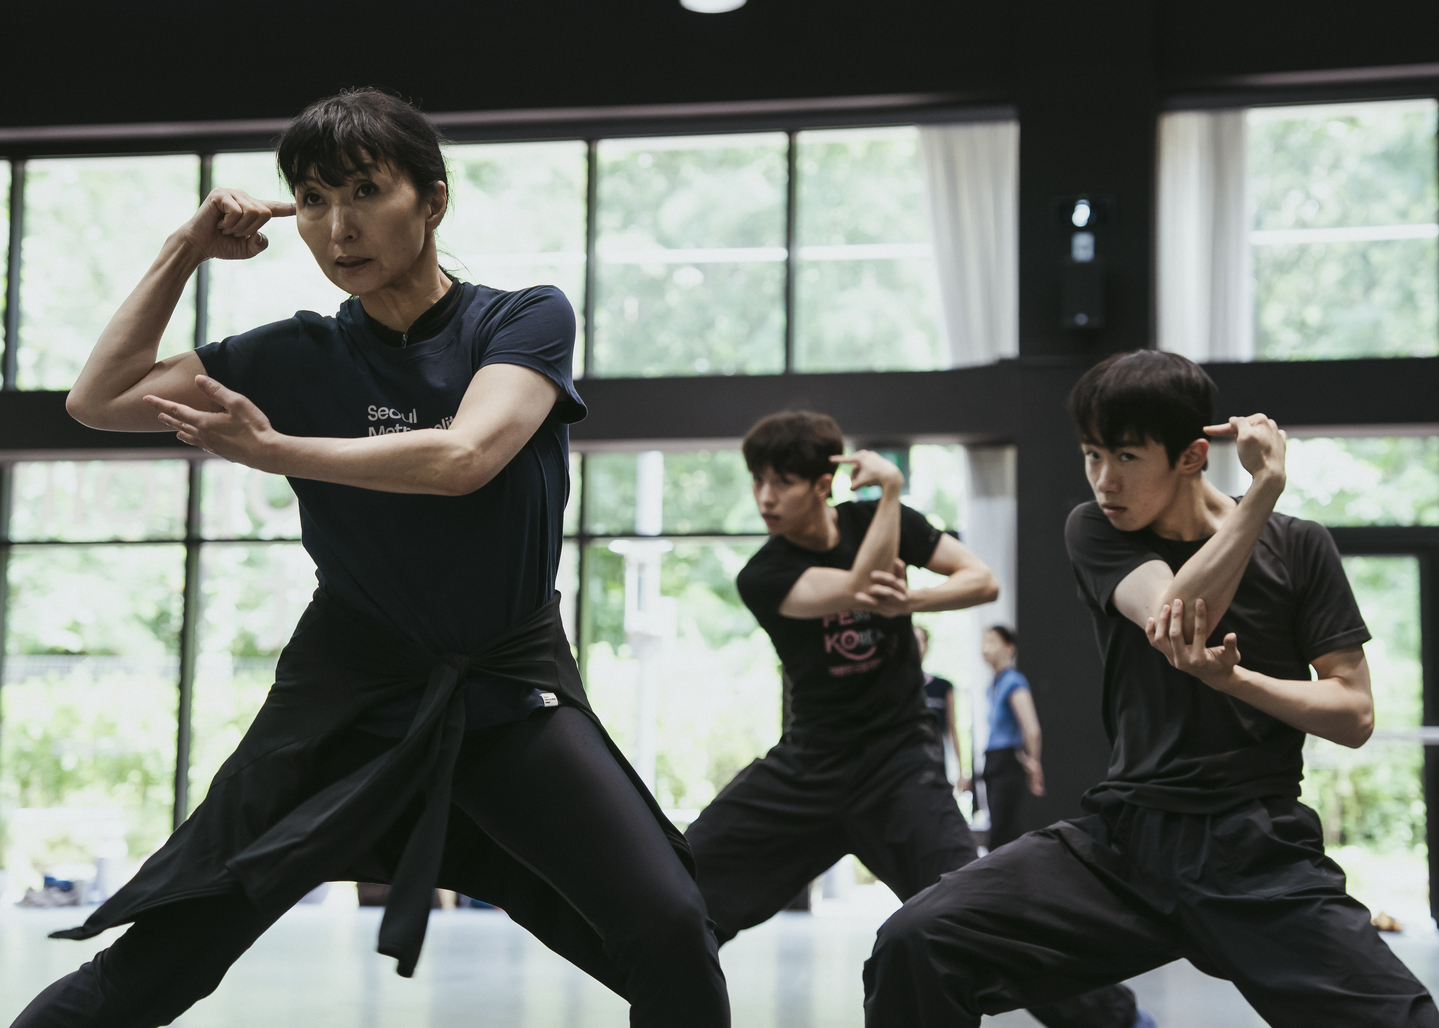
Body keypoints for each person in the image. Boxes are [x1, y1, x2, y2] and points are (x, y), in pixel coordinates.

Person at [13, 88, 729, 1028]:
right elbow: (97, 400)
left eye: (363, 191)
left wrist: (277, 451)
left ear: (432, 201)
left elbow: (463, 458)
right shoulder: (292, 355)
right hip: (344, 699)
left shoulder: (520, 320)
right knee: (171, 952)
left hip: (502, 687)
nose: (338, 227)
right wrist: (184, 247)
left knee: (668, 927)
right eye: (312, 200)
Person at [863, 350, 1438, 1027]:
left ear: (1191, 457)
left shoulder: (1299, 547)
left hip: (1255, 849)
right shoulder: (1094, 529)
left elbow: (1353, 714)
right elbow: (1176, 619)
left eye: (1126, 457)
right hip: (1127, 842)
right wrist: (1263, 491)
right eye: (1091, 455)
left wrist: (1238, 679)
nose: (1103, 480)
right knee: (915, 941)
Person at [685, 410, 1146, 1028]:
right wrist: (891, 496)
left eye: (782, 482)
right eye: (757, 481)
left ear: (822, 484)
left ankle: (1123, 1024)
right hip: (810, 765)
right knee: (678, 893)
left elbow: (981, 580)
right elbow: (862, 585)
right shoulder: (763, 574)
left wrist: (913, 592)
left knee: (984, 914)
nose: (765, 497)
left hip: (901, 767)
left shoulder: (884, 520)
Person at [979, 624, 1045, 850]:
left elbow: (1032, 728)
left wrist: (1033, 764)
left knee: (1002, 832)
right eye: (983, 642)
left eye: (991, 642)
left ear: (1009, 648)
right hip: (993, 761)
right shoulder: (993, 685)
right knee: (1001, 830)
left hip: (1006, 762)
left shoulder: (1013, 681)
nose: (985, 648)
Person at [913, 624, 965, 789]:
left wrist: (961, 771)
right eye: (913, 641)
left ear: (927, 645)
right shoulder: (895, 687)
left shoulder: (943, 686)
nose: (917, 646)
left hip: (936, 758)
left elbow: (952, 727)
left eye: (921, 641)